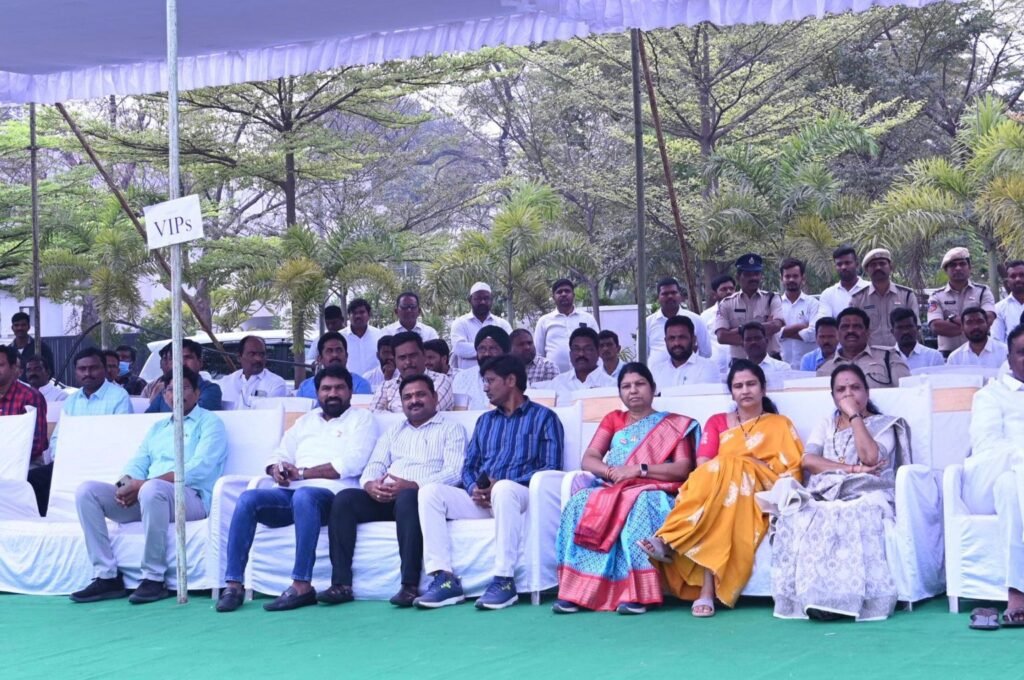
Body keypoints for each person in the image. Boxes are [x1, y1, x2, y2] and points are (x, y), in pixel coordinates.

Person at [637, 360, 803, 617]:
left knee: (729, 470)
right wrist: (740, 464)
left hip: (759, 488)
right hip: (722, 489)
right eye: (738, 386)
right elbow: (703, 465)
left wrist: (747, 465)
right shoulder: (717, 422)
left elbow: (792, 471)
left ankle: (670, 539)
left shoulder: (780, 424)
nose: (745, 390)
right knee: (723, 491)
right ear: (732, 392)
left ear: (763, 389)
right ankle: (705, 591)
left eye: (751, 384)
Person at [215, 365, 378, 613]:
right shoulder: (305, 421)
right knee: (248, 499)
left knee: (304, 496)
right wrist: (276, 469)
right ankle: (233, 585)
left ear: (350, 392)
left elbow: (353, 463)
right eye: (326, 389)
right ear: (317, 392)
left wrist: (302, 473)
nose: (332, 393)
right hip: (290, 494)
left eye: (339, 388)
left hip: (332, 497)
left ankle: (302, 584)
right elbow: (280, 453)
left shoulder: (362, 419)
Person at [414, 355, 564, 610]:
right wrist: (475, 488)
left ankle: (504, 581)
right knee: (430, 492)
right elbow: (469, 466)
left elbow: (551, 468)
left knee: (504, 489)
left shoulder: (544, 418)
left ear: (511, 380)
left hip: (523, 497)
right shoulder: (485, 421)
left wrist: (501, 484)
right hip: (484, 499)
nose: (485, 387)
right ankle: (443, 578)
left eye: (490, 381)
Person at [763, 364, 911, 621]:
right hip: (827, 490)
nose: (848, 394)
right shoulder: (826, 424)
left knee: (850, 513)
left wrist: (854, 416)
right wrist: (852, 468)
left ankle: (848, 599)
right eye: (841, 390)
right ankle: (814, 598)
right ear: (833, 396)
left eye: (855, 388)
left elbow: (871, 457)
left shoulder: (885, 424)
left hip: (869, 491)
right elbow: (809, 461)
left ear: (867, 392)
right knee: (801, 512)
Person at [552, 363, 700, 614]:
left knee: (640, 502)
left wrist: (638, 470)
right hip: (615, 487)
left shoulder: (674, 425)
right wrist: (612, 472)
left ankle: (638, 594)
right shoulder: (613, 420)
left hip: (654, 489)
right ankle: (577, 593)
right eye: (626, 386)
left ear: (653, 388)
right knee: (580, 501)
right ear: (620, 392)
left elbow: (683, 468)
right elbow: (589, 459)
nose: (633, 390)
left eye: (640, 384)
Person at [70, 367, 227, 604]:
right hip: (148, 495)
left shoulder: (210, 423)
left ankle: (153, 578)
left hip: (190, 498)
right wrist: (124, 486)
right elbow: (137, 463)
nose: (176, 394)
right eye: (170, 389)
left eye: (184, 388)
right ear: (164, 395)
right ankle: (106, 576)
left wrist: (143, 484)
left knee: (153, 490)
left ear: (197, 393)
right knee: (87, 492)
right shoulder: (158, 428)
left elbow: (199, 468)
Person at [321, 374, 467, 608]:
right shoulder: (393, 431)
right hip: (386, 495)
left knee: (408, 497)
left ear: (435, 397)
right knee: (344, 499)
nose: (414, 401)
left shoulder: (452, 429)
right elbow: (375, 465)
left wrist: (414, 485)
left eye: (420, 395)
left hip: (421, 498)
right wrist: (370, 485)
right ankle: (341, 584)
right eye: (407, 397)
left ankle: (409, 586)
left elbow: (455, 472)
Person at [962, 325, 1024, 629]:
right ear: (1009, 359)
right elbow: (988, 447)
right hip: (989, 476)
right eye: (1022, 353)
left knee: (1012, 487)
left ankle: (1018, 587)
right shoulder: (990, 395)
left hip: (1011, 483)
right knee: (1010, 480)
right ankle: (1017, 593)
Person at [32, 348, 133, 516]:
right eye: (82, 369)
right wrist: (62, 460)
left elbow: (121, 439)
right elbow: (57, 438)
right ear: (76, 372)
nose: (87, 373)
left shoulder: (119, 396)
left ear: (104, 369)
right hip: (71, 462)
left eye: (93, 368)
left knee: (124, 483)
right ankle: (49, 522)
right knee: (33, 480)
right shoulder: (72, 400)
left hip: (106, 463)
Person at [817, 308, 910, 389]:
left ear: (867, 332)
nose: (850, 330)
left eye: (857, 326)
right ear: (837, 333)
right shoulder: (825, 369)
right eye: (845, 327)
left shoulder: (889, 357)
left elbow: (907, 392)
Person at [714, 254, 784, 361]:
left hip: (771, 360)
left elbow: (776, 326)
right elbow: (722, 337)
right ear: (738, 277)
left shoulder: (772, 298)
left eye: (756, 274)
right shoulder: (727, 303)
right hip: (740, 362)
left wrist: (737, 331)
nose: (753, 278)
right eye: (748, 274)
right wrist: (763, 329)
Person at [927, 247, 996, 355]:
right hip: (947, 354)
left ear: (969, 267)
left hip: (981, 352)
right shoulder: (936, 296)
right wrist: (974, 326)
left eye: (962, 264)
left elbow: (989, 318)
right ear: (946, 270)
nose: (958, 268)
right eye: (953, 265)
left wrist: (953, 320)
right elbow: (936, 326)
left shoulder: (983, 291)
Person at [849, 248, 917, 348]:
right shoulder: (858, 299)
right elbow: (853, 330)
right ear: (867, 270)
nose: (878, 267)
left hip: (901, 353)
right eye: (873, 265)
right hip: (870, 354)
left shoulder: (906, 295)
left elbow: (916, 328)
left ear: (891, 267)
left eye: (882, 263)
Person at [372, 332, 453, 413]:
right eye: (402, 358)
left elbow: (426, 411)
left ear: (424, 355)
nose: (408, 362)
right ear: (395, 360)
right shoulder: (386, 386)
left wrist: (388, 410)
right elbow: (374, 413)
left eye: (413, 356)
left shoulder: (441, 380)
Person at [533, 278, 599, 373]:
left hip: (585, 375)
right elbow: (538, 354)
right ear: (553, 297)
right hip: (553, 377)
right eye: (559, 292)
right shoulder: (544, 321)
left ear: (573, 295)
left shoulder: (588, 319)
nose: (563, 294)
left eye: (567, 291)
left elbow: (597, 347)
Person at [539, 327, 616, 406]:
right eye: (576, 349)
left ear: (598, 352)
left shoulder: (612, 386)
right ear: (570, 353)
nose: (581, 354)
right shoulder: (557, 383)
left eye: (587, 349)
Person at [0, 345, 47, 468]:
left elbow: (37, 443)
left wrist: (6, 457)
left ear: (13, 368)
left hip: (24, 463)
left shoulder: (30, 397)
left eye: (0, 365)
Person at [644, 277, 711, 363]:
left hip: (690, 371)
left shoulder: (696, 320)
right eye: (665, 294)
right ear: (658, 298)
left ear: (680, 295)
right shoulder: (647, 323)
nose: (670, 296)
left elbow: (706, 353)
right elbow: (642, 356)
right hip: (655, 372)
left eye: (674, 293)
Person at [145, 340, 223, 413]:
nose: (182, 363)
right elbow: (149, 417)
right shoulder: (164, 390)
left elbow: (196, 417)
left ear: (200, 363)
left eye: (187, 357)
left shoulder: (210, 390)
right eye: (176, 358)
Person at [449, 282, 512, 370]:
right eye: (478, 298)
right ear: (470, 300)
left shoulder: (502, 323)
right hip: (467, 376)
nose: (482, 302)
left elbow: (510, 347)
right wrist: (495, 348)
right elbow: (459, 348)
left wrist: (480, 349)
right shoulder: (460, 323)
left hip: (498, 374)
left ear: (491, 300)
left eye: (486, 298)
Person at [216, 336, 287, 409]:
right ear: (239, 357)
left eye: (261, 354)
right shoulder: (225, 383)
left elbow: (271, 413)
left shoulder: (276, 384)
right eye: (252, 354)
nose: (258, 359)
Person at [649, 316, 720, 388]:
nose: (676, 343)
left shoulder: (707, 368)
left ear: (693, 340)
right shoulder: (656, 371)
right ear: (666, 341)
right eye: (672, 338)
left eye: (682, 337)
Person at [296, 332, 372, 399]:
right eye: (329, 351)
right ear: (320, 358)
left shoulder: (360, 384)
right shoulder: (305, 387)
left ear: (346, 356)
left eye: (339, 350)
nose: (335, 355)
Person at [452, 327, 509, 410]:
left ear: (505, 352)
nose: (487, 354)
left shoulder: (514, 378)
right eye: (482, 349)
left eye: (493, 348)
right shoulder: (462, 377)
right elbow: (457, 412)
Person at [812, 245, 868, 327]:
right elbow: (824, 324)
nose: (843, 267)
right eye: (839, 264)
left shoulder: (870, 289)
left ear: (857, 264)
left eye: (847, 263)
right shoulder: (828, 294)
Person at [778, 258, 819, 369]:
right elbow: (772, 334)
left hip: (809, 368)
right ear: (781, 279)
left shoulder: (813, 304)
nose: (791, 279)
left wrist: (782, 333)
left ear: (803, 278)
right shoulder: (776, 304)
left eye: (795, 276)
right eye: (787, 276)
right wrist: (800, 326)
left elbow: (813, 333)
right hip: (782, 367)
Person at [701, 274, 736, 374]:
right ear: (714, 294)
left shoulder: (745, 312)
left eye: (731, 288)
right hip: (715, 370)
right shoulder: (705, 316)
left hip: (741, 368)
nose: (729, 292)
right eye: (723, 289)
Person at [341, 299, 382, 376]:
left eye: (362, 312)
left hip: (376, 382)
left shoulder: (379, 335)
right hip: (348, 382)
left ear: (369, 314)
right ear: (349, 316)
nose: (358, 316)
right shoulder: (340, 337)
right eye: (354, 313)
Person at [993, 260, 1024, 343]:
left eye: (1022, 275)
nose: (1018, 279)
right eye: (1013, 276)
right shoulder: (998, 309)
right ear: (1007, 282)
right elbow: (997, 341)